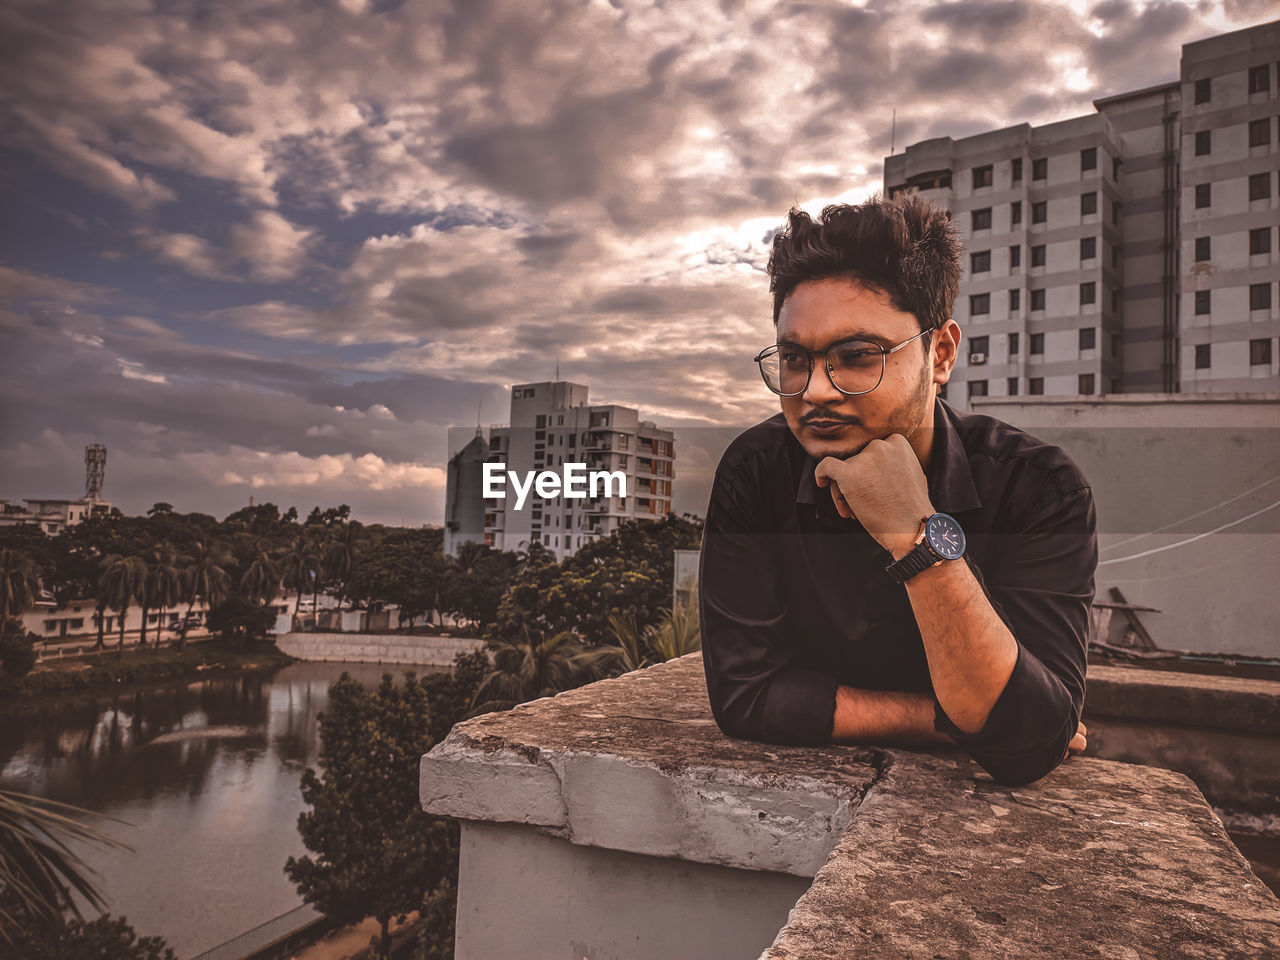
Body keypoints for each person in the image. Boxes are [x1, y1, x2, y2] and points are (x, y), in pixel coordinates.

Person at [698, 192, 1096, 787]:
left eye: (857, 356)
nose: (815, 391)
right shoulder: (756, 472)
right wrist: (955, 720)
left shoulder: (1038, 489)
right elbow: (748, 698)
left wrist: (916, 533)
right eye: (793, 360)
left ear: (940, 354)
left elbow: (1029, 748)